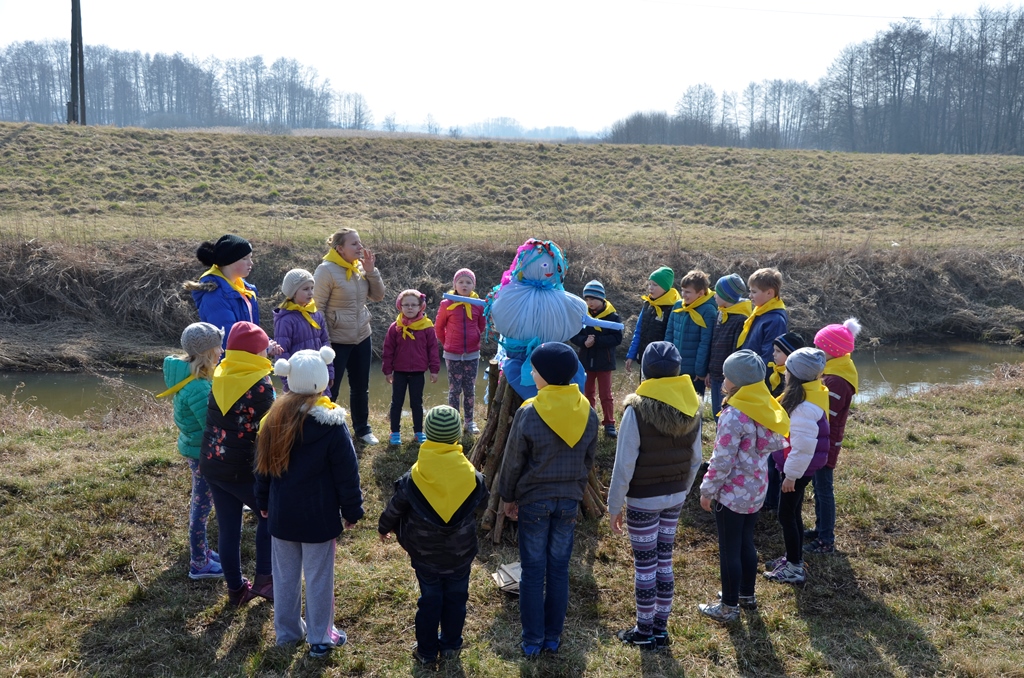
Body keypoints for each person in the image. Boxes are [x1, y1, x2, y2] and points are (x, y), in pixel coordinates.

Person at [255, 347, 364, 658]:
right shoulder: (333, 425)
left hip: (281, 516)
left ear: (288, 379)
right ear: (323, 380)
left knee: (285, 577)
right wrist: (352, 510)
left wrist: (262, 501)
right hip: (319, 518)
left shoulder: (272, 419)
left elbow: (262, 467)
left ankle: (287, 634)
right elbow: (347, 474)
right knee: (318, 578)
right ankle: (320, 638)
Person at [497, 342, 598, 657]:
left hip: (534, 501)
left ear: (545, 375)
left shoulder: (530, 411)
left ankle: (532, 641)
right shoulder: (587, 411)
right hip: (568, 501)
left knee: (532, 570)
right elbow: (588, 460)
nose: (531, 374)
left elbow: (513, 461)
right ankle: (553, 638)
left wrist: (507, 497)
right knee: (558, 569)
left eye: (534, 369)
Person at [378, 406, 489, 669]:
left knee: (429, 600)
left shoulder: (414, 476)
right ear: (457, 436)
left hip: (425, 555)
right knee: (457, 599)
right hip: (460, 554)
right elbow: (482, 504)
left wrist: (384, 527)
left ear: (427, 434)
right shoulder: (473, 476)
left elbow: (395, 507)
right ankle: (450, 645)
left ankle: (426, 651)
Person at [608, 342, 702, 650]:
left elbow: (624, 464)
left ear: (645, 372)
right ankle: (661, 629)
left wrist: (614, 504)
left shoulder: (636, 410)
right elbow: (696, 459)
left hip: (643, 500)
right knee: (664, 561)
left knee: (645, 566)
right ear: (678, 370)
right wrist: (683, 490)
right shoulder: (692, 405)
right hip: (674, 495)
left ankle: (644, 631)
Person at [697, 350, 789, 623]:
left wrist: (707, 490)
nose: (723, 379)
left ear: (737, 382)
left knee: (729, 549)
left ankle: (728, 606)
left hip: (732, 493)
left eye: (726, 376)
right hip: (756, 488)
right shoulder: (764, 406)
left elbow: (722, 459)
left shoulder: (734, 414)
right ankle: (746, 594)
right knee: (746, 542)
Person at [200, 321, 276, 607]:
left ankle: (236, 589)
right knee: (269, 515)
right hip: (242, 469)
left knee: (228, 527)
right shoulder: (260, 386)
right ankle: (265, 579)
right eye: (264, 349)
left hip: (212, 463)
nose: (267, 354)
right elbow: (270, 431)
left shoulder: (221, 373)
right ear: (256, 354)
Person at [157, 322, 225, 580]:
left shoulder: (193, 378)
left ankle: (203, 552)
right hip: (201, 454)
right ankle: (199, 562)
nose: (221, 351)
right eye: (218, 346)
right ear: (207, 352)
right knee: (201, 506)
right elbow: (211, 425)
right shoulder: (198, 387)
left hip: (195, 449)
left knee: (203, 503)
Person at [763, 348, 830, 585]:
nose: (785, 373)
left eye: (788, 369)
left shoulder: (803, 409)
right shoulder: (807, 397)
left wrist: (791, 476)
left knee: (786, 515)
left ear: (794, 375)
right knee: (793, 513)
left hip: (797, 470)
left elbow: (802, 448)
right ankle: (794, 557)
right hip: (797, 467)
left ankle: (794, 568)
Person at [313, 228, 385, 445]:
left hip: (362, 334)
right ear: (339, 248)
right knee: (330, 388)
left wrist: (371, 271)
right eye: (354, 244)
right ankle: (325, 430)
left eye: (360, 242)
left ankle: (362, 429)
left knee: (361, 386)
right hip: (335, 340)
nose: (360, 247)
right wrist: (325, 341)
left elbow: (378, 296)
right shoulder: (325, 270)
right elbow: (318, 309)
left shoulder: (360, 267)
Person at [805, 318, 862, 555]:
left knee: (824, 489)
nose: (816, 351)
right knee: (818, 486)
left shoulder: (837, 380)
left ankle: (826, 540)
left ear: (832, 351)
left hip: (827, 441)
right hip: (821, 438)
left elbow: (826, 412)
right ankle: (820, 529)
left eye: (820, 348)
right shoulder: (834, 370)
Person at [184, 234, 280, 355]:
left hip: (248, 360)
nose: (251, 263)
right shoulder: (215, 297)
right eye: (245, 258)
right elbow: (228, 338)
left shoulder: (245, 289)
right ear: (229, 261)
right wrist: (263, 348)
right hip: (229, 364)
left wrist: (266, 342)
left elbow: (251, 330)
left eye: (250, 257)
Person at [382, 289, 440, 445]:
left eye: (413, 305)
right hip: (399, 372)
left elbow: (433, 350)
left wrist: (434, 370)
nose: (409, 308)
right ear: (400, 306)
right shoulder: (395, 327)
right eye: (406, 305)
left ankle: (418, 432)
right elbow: (388, 350)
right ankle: (394, 432)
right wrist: (387, 370)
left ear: (421, 307)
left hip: (418, 372)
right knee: (397, 403)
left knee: (416, 403)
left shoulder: (427, 327)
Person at [434, 269, 487, 435]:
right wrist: (448, 343)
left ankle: (469, 422)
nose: (465, 285)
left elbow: (481, 325)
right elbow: (439, 327)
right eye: (461, 282)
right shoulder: (446, 304)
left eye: (468, 282)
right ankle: (454, 421)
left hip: (472, 353)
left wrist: (474, 337)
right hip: (452, 354)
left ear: (473, 285)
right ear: (455, 285)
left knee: (470, 389)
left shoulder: (478, 304)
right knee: (454, 389)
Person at [569, 279, 623, 438]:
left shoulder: (612, 316)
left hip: (605, 361)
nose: (589, 302)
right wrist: (584, 341)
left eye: (593, 299)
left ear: (601, 298)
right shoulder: (581, 315)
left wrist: (596, 341)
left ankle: (609, 424)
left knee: (606, 394)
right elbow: (573, 334)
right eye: (587, 299)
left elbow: (617, 338)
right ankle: (589, 421)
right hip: (585, 360)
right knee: (587, 392)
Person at [763, 331, 806, 514]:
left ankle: (776, 502)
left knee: (778, 465)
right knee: (770, 464)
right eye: (774, 350)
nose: (773, 354)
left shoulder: (793, 380)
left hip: (786, 430)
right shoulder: (773, 371)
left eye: (778, 351)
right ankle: (769, 499)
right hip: (772, 425)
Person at [273, 268, 333, 395]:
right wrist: (288, 382)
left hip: (319, 376)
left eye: (312, 288)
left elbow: (325, 344)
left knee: (322, 406)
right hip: (299, 381)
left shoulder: (316, 314)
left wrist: (329, 372)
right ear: (293, 293)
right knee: (301, 408)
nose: (310, 292)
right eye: (305, 289)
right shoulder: (285, 320)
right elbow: (282, 352)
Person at [664, 269, 717, 397]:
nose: (683, 295)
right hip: (675, 368)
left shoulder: (708, 311)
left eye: (688, 292)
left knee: (693, 404)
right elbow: (669, 334)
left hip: (694, 373)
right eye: (682, 290)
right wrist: (667, 361)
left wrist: (700, 371)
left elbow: (705, 343)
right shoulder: (678, 306)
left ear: (700, 293)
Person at [707, 274, 750, 418]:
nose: (714, 295)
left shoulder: (740, 319)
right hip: (715, 373)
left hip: (728, 377)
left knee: (726, 413)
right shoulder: (721, 313)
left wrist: (730, 376)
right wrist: (709, 370)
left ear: (727, 296)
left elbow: (736, 351)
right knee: (716, 413)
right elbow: (713, 343)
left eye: (718, 293)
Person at [624, 266, 681, 375]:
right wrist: (631, 355)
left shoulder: (673, 308)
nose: (651, 288)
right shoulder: (648, 304)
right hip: (645, 358)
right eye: (649, 284)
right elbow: (638, 331)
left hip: (663, 363)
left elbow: (674, 337)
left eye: (655, 285)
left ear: (665, 287)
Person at [737, 267, 788, 370]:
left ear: (769, 293)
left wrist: (754, 375)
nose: (750, 295)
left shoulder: (775, 320)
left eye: (754, 292)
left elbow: (769, 357)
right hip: (748, 369)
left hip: (757, 374)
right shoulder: (760, 312)